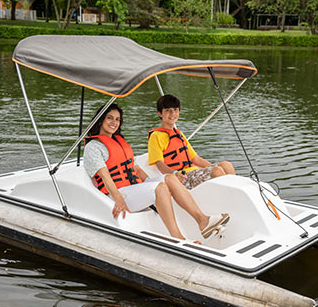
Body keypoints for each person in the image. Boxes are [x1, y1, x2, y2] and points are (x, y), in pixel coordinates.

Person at [83, 103, 229, 241]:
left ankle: (203, 221)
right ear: (100, 120)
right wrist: (119, 200)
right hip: (117, 194)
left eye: (117, 119)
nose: (114, 122)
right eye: (109, 118)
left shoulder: (118, 142)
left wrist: (148, 182)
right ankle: (177, 237)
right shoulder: (94, 147)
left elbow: (137, 169)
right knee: (160, 188)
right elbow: (105, 176)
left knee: (169, 179)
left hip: (133, 187)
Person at [148, 94, 235, 190]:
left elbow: (196, 159)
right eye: (168, 110)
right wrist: (174, 173)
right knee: (217, 171)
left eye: (175, 110)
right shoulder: (155, 136)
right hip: (181, 177)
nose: (172, 114)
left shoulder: (178, 134)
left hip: (193, 172)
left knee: (226, 165)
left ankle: (235, 194)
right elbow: (159, 164)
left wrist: (213, 167)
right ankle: (226, 199)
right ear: (160, 113)